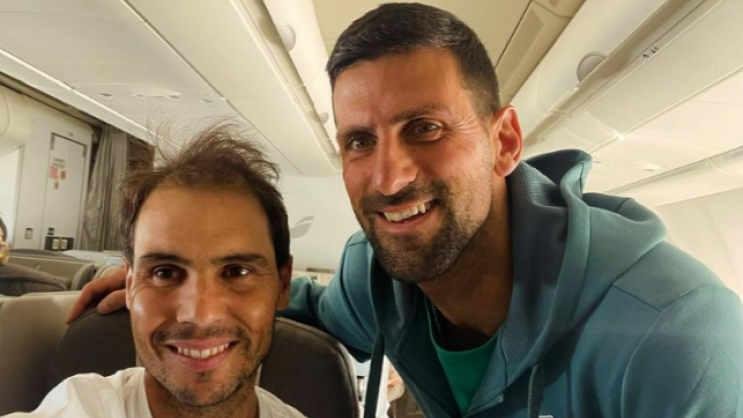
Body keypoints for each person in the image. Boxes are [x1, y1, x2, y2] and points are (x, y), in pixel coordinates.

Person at [69, 3, 743, 418]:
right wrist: (163, 281)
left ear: (505, 142)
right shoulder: (375, 279)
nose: (389, 178)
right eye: (359, 141)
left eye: (425, 128)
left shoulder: (676, 337)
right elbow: (303, 303)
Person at [6, 126, 306, 418]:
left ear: (283, 285)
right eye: (165, 273)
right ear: (129, 284)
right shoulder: (85, 408)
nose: (200, 315)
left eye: (237, 272)